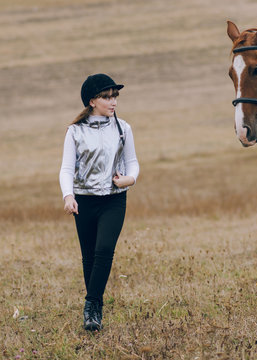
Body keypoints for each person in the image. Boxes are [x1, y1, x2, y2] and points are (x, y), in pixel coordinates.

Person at [59, 73, 139, 331]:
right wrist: (68, 195)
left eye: (115, 96)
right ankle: (95, 309)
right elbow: (66, 168)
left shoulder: (123, 128)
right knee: (89, 257)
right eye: (107, 96)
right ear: (92, 101)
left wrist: (130, 179)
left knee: (104, 250)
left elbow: (133, 163)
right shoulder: (75, 131)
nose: (113, 101)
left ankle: (91, 306)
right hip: (84, 201)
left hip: (114, 200)